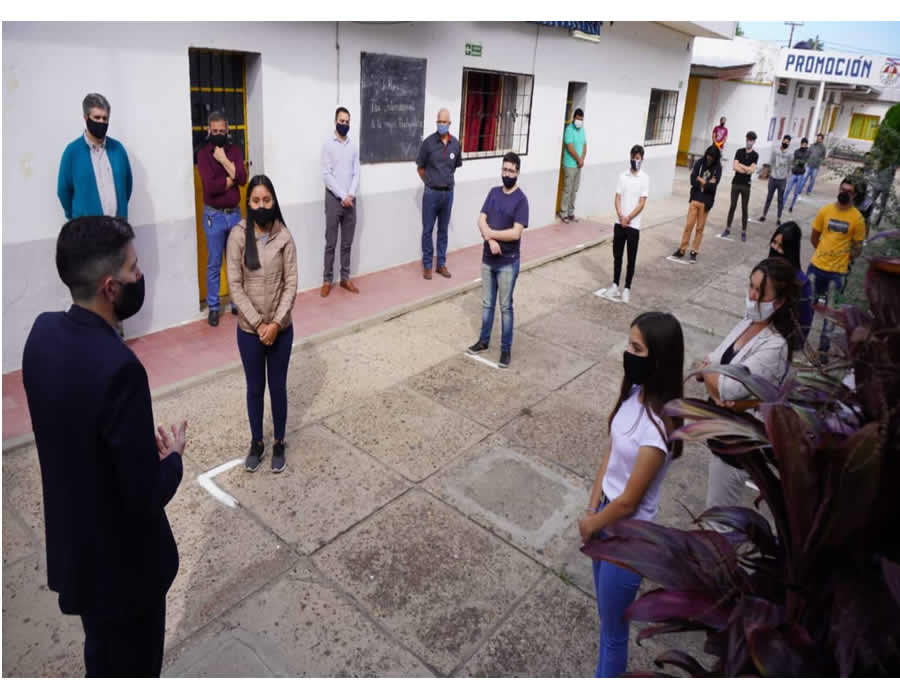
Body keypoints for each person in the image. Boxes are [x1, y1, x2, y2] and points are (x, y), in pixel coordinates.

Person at [22, 216, 186, 677]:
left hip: (79, 558)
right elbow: (142, 495)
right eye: (135, 268)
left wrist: (130, 450)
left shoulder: (41, 336)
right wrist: (171, 459)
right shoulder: (121, 369)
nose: (141, 276)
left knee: (101, 662)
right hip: (124, 575)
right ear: (111, 287)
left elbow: (78, 439)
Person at [577, 311, 685, 678]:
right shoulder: (635, 394)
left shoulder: (658, 430)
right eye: (629, 344)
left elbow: (630, 501)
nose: (627, 353)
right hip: (605, 516)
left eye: (635, 348)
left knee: (613, 634)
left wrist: (593, 523)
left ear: (658, 359)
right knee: (606, 621)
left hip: (629, 535)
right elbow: (610, 454)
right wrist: (592, 506)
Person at [701, 257, 797, 510]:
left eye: (760, 292)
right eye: (751, 287)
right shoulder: (748, 322)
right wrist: (716, 381)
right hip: (720, 430)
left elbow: (727, 390)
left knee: (720, 516)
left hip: (738, 446)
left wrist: (711, 379)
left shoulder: (775, 346)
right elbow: (713, 361)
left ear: (780, 301)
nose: (752, 296)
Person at [226, 175, 298, 473]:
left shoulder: (284, 237)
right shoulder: (238, 236)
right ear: (248, 203)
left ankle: (279, 441)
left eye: (266, 200)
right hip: (249, 331)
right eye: (256, 201)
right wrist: (258, 325)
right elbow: (235, 285)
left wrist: (275, 324)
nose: (261, 205)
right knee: (255, 388)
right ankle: (257, 442)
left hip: (281, 330)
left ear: (274, 201)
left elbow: (291, 283)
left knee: (277, 387)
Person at [465, 153, 529, 369]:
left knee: (505, 306)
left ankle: (505, 349)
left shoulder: (521, 200)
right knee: (486, 303)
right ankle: (483, 341)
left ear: (517, 172)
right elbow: (480, 218)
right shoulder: (493, 193)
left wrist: (491, 235)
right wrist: (489, 238)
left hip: (508, 262)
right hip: (487, 259)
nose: (506, 174)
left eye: (511, 171)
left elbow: (516, 233)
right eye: (504, 170)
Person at [197, 110, 248, 326]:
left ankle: (237, 303)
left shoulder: (233, 150)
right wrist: (230, 179)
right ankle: (214, 307)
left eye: (222, 130)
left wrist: (225, 160)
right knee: (214, 263)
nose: (218, 134)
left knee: (236, 261)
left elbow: (244, 179)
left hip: (234, 214)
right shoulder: (202, 153)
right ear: (209, 130)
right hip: (214, 216)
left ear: (227, 130)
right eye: (214, 131)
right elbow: (210, 187)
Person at [807, 178, 866, 358]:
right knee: (807, 305)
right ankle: (799, 340)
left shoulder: (857, 218)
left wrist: (844, 259)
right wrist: (823, 253)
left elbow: (857, 246)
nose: (844, 193)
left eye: (849, 191)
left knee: (830, 314)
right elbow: (814, 236)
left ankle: (822, 351)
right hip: (816, 268)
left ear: (854, 195)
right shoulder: (826, 210)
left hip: (837, 273)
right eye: (842, 189)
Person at [57, 93, 133, 221]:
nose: (101, 122)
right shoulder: (72, 152)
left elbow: (127, 186)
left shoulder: (118, 149)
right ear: (86, 117)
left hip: (118, 228)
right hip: (87, 232)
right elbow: (63, 191)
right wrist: (76, 219)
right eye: (97, 117)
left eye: (105, 118)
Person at [416, 108, 462, 280]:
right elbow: (420, 168)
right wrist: (429, 182)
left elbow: (453, 167)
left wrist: (445, 181)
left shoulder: (455, 144)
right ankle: (427, 265)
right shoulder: (428, 143)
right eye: (439, 121)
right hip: (431, 194)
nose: (441, 124)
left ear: (450, 123)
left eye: (444, 122)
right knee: (427, 230)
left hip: (448, 194)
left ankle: (441, 264)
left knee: (443, 231)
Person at [599, 145, 649, 303]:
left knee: (631, 258)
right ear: (630, 157)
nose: (635, 160)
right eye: (633, 157)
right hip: (619, 222)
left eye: (638, 158)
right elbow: (617, 197)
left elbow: (642, 203)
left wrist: (629, 217)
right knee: (617, 256)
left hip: (633, 225)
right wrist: (621, 215)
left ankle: (627, 287)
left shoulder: (644, 178)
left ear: (642, 159)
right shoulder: (623, 176)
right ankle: (615, 284)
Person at [321, 106, 361, 297]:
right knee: (331, 243)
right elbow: (327, 175)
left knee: (347, 243)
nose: (344, 124)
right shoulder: (328, 145)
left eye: (347, 121)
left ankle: (345, 278)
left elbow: (356, 172)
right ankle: (327, 280)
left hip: (350, 201)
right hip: (333, 200)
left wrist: (350, 194)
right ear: (335, 121)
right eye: (341, 121)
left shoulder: (353, 145)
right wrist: (341, 195)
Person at [672, 145, 721, 263]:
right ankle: (682, 249)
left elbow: (713, 186)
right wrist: (704, 182)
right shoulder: (699, 163)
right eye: (708, 156)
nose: (709, 159)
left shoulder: (717, 168)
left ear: (715, 158)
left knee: (699, 228)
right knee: (688, 226)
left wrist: (701, 180)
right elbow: (692, 180)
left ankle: (694, 251)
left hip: (706, 202)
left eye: (712, 157)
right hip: (695, 199)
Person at [768, 222, 813, 343]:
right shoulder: (766, 269)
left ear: (791, 250)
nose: (775, 248)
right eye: (774, 242)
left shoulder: (801, 283)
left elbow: (805, 322)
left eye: (781, 246)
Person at [720, 130, 759, 242]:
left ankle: (743, 231)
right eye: (748, 139)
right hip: (736, 183)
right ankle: (727, 228)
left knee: (744, 208)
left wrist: (742, 166)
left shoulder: (755, 155)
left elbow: (751, 171)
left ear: (754, 141)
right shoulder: (739, 151)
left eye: (751, 140)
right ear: (746, 139)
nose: (749, 142)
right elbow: (734, 167)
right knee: (732, 206)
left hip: (746, 185)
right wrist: (745, 168)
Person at [559, 107, 587, 223]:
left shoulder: (582, 130)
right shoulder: (569, 130)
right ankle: (563, 213)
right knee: (567, 189)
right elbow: (570, 147)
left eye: (581, 119)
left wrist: (582, 159)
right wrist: (578, 159)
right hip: (570, 164)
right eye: (578, 119)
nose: (579, 121)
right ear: (574, 118)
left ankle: (571, 213)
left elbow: (585, 145)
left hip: (578, 165)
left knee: (574, 190)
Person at [759, 134, 791, 225]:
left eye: (787, 142)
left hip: (782, 180)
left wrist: (786, 177)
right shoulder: (775, 151)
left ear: (789, 143)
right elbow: (771, 162)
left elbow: (789, 166)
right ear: (782, 141)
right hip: (773, 178)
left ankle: (778, 218)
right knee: (769, 197)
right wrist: (769, 173)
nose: (785, 143)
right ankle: (764, 215)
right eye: (784, 141)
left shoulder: (789, 154)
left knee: (780, 199)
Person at [785, 137, 811, 212]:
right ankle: (783, 204)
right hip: (794, 172)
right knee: (788, 189)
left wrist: (799, 161)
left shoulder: (808, 152)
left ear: (807, 145)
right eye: (802, 144)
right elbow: (795, 161)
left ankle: (791, 206)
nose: (803, 145)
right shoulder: (796, 151)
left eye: (805, 144)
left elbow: (804, 161)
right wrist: (799, 161)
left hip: (801, 174)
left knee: (796, 192)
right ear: (801, 144)